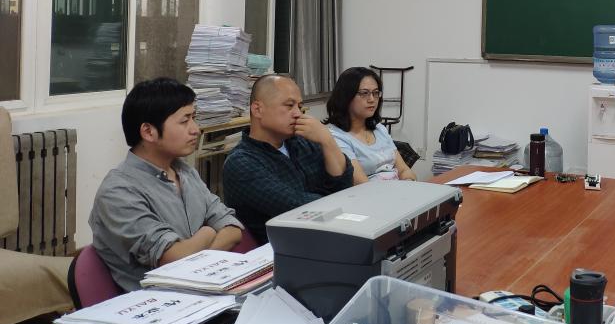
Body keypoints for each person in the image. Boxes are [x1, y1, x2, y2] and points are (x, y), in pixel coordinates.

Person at [90, 78, 242, 291]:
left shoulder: (184, 171)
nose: (195, 130)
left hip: (205, 290)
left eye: (194, 118)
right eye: (184, 121)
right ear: (148, 132)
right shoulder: (118, 191)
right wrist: (208, 231)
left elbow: (233, 229)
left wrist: (195, 254)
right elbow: (175, 259)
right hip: (160, 303)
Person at [222, 74, 365, 243]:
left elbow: (344, 185)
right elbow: (300, 208)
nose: (298, 113)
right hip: (285, 248)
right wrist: (343, 202)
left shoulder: (302, 142)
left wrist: (328, 141)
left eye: (300, 106)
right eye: (289, 106)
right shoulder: (241, 162)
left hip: (330, 233)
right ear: (257, 109)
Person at [325, 67, 416, 181]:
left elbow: (403, 170)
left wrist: (408, 182)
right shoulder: (336, 136)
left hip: (398, 188)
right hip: (369, 191)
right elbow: (361, 184)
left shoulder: (379, 129)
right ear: (346, 96)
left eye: (376, 93)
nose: (372, 99)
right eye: (364, 93)